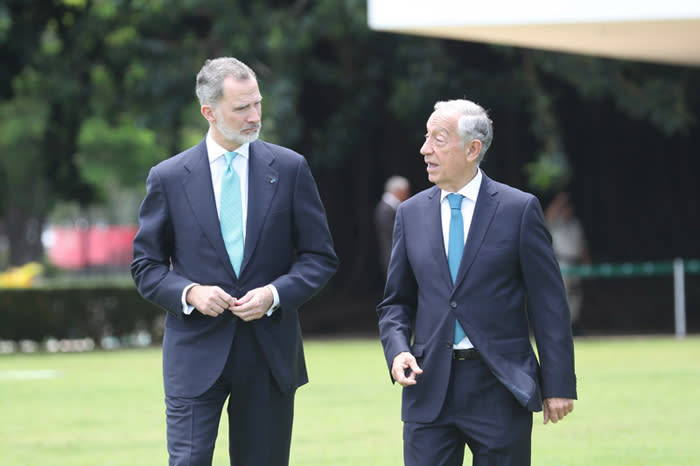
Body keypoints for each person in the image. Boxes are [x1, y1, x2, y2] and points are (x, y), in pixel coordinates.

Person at [131, 57, 338, 466]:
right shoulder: (168, 177)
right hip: (194, 355)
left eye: (257, 104)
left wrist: (275, 294)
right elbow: (145, 266)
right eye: (241, 108)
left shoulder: (291, 168)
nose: (254, 116)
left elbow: (319, 258)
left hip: (269, 355)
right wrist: (190, 292)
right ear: (209, 112)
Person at [377, 99, 577, 466]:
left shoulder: (519, 210)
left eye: (438, 138)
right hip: (428, 386)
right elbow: (396, 303)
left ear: (473, 149)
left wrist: (559, 384)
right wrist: (396, 349)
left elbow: (549, 304)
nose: (425, 149)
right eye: (426, 137)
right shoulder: (410, 213)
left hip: (501, 386)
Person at [545, 191, 591, 333]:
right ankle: (560, 326)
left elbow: (582, 245)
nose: (568, 211)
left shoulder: (575, 223)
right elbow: (548, 215)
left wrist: (586, 263)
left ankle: (573, 324)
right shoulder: (556, 223)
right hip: (561, 262)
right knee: (562, 294)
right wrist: (560, 200)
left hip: (575, 263)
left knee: (576, 294)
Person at [374, 175, 410, 278]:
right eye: (405, 192)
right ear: (399, 191)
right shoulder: (385, 209)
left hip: (393, 257)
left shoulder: (389, 208)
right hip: (393, 257)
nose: (407, 195)